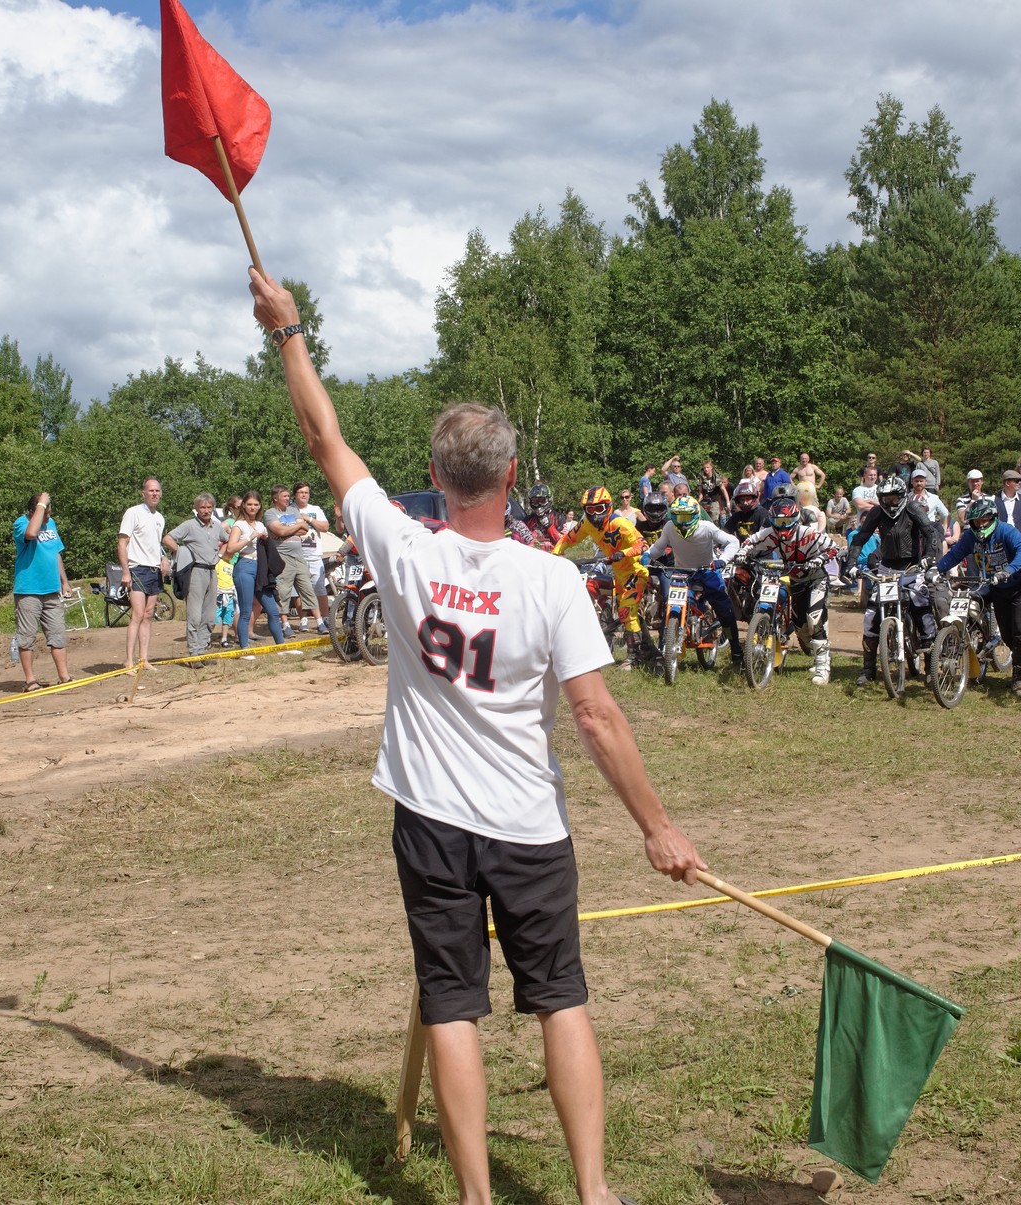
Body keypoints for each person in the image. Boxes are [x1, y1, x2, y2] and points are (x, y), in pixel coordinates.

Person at [251, 266, 703, 1205]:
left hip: (430, 821)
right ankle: (592, 1192)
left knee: (453, 1004)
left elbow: (323, 437)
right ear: (509, 476)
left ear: (431, 479)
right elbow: (595, 715)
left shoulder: (400, 545)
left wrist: (288, 331)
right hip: (527, 825)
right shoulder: (552, 581)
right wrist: (656, 826)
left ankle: (474, 1198)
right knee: (561, 998)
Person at [729, 487, 838, 683]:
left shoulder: (808, 534)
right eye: (779, 522)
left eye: (787, 521)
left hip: (815, 578)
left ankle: (823, 666)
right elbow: (750, 542)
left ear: (796, 519)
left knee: (814, 621)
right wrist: (742, 553)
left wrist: (818, 560)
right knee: (801, 628)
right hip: (793, 580)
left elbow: (833, 548)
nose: (783, 526)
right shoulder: (769, 533)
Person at [849, 474, 943, 686]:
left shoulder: (913, 508)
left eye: (894, 498)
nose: (890, 503)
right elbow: (860, 537)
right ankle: (868, 669)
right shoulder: (876, 512)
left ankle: (930, 668)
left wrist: (929, 557)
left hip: (912, 568)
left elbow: (930, 533)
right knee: (871, 616)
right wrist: (851, 565)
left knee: (923, 611)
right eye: (886, 498)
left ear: (902, 496)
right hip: (886, 569)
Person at [937, 496, 1021, 693]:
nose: (981, 525)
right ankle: (976, 649)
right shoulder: (971, 537)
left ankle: (1019, 677)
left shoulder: (1006, 530)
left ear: (993, 518)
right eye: (976, 521)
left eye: (985, 520)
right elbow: (955, 554)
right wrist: (937, 569)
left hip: (1020, 587)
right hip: (995, 588)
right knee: (1006, 634)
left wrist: (1009, 570)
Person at [553, 487, 655, 671]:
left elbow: (643, 544)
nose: (593, 514)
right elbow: (568, 539)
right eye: (589, 510)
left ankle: (634, 657)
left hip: (635, 571)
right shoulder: (587, 524)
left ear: (608, 506)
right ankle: (649, 650)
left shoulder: (621, 524)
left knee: (626, 611)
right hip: (618, 574)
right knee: (627, 613)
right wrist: (555, 554)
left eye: (598, 508)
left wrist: (622, 553)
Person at [642, 495, 743, 670]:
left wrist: (723, 560)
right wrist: (647, 555)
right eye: (679, 517)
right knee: (671, 604)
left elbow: (733, 541)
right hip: (683, 572)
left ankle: (736, 652)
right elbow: (659, 547)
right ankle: (664, 647)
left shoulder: (707, 527)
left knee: (725, 611)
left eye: (687, 517)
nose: (682, 522)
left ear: (696, 515)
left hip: (708, 570)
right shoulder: (669, 527)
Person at [12, 491, 73, 691]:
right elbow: (31, 534)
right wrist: (41, 506)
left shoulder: (51, 523)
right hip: (29, 589)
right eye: (45, 511)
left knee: (57, 634)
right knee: (27, 637)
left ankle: (64, 677)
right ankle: (30, 680)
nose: (48, 515)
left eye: (48, 511)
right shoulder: (21, 523)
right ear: (33, 510)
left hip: (51, 588)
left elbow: (56, 553)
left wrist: (64, 582)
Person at [164, 493, 231, 657]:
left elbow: (228, 540)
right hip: (195, 572)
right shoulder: (189, 525)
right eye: (202, 507)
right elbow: (167, 538)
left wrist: (220, 555)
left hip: (212, 571)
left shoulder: (216, 526)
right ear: (196, 509)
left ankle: (202, 651)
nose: (206, 511)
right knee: (194, 615)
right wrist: (181, 552)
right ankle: (194, 653)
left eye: (209, 507)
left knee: (209, 616)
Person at [119, 478, 170, 670]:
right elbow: (122, 542)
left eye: (157, 491)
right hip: (136, 568)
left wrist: (164, 558)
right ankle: (128, 661)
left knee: (149, 614)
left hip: (153, 570)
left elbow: (155, 544)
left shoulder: (159, 518)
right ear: (143, 493)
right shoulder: (133, 513)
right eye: (151, 491)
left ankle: (143, 659)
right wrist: (125, 572)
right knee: (138, 614)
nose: (155, 494)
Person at [230, 490, 288, 647]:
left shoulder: (261, 525)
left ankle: (281, 646)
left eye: (256, 504)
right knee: (246, 611)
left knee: (273, 611)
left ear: (260, 506)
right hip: (244, 567)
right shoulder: (239, 525)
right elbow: (230, 548)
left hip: (260, 569)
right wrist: (250, 538)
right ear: (243, 505)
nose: (252, 507)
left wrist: (265, 538)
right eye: (249, 504)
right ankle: (244, 648)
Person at [264, 483, 321, 640]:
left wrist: (285, 532)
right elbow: (279, 530)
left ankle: (319, 622)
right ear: (275, 498)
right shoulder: (270, 513)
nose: (288, 499)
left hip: (299, 556)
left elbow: (305, 529)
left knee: (307, 588)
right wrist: (291, 529)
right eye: (285, 496)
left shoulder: (293, 510)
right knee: (283, 590)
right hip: (282, 557)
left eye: (289, 496)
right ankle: (285, 624)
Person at [293, 482, 333, 632]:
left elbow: (325, 527)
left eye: (306, 492)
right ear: (295, 494)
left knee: (319, 588)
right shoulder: (290, 510)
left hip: (315, 555)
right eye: (301, 492)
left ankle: (325, 618)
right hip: (297, 555)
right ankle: (303, 619)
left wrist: (308, 519)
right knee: (298, 590)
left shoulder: (315, 510)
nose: (304, 495)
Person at [908, 469, 947, 540]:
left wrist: (943, 529)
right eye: (916, 481)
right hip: (912, 533)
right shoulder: (906, 498)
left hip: (931, 533)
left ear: (926, 482)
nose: (919, 483)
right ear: (912, 482)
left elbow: (945, 514)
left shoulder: (934, 498)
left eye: (921, 481)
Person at [525, 482, 567, 548]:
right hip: (534, 555)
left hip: (554, 555)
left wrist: (548, 525)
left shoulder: (558, 517)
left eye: (542, 501)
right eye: (535, 502)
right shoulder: (529, 520)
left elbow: (564, 542)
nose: (539, 505)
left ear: (549, 500)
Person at [995, 469, 1021, 535]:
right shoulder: (993, 500)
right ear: (1007, 483)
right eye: (1016, 481)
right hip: (1000, 541)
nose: (1019, 482)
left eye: (1020, 480)